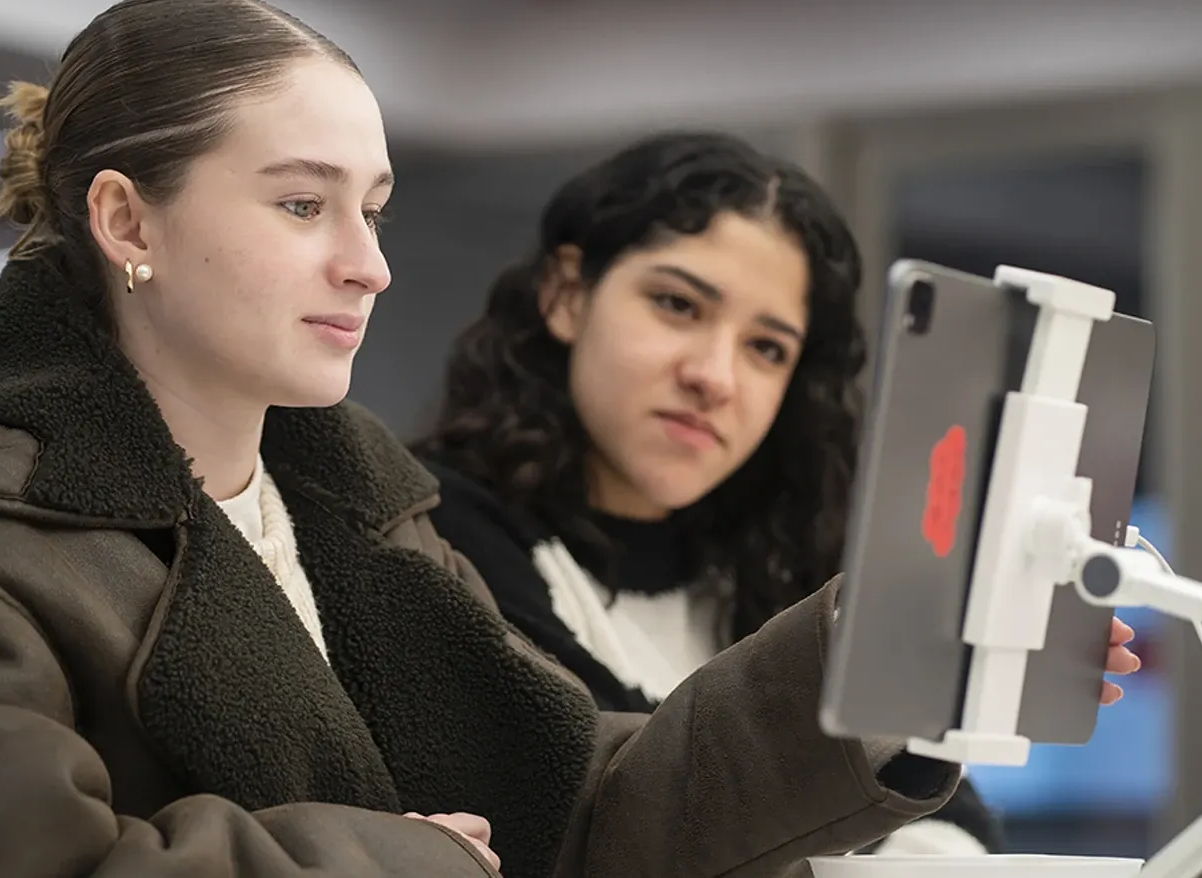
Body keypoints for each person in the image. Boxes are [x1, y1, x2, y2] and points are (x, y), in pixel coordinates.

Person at [0, 0, 965, 878]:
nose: (369, 264)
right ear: (124, 216)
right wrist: (396, 859)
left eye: (374, 209)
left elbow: (574, 801)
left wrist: (874, 654)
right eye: (303, 205)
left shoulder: (351, 511)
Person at [415, 132, 1144, 856]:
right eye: (676, 304)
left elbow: (960, 829)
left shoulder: (775, 553)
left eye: (767, 348)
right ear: (567, 294)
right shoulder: (435, 527)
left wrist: (937, 673)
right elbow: (622, 795)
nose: (715, 376)